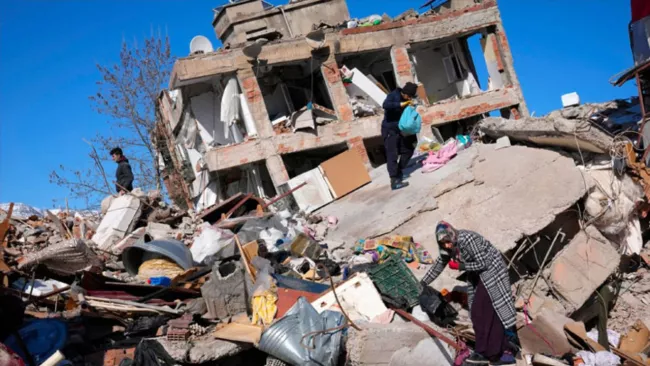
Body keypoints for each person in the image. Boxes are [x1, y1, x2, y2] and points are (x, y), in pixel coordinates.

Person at [421, 221, 517, 365]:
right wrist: (423, 282)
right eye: (443, 243)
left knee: (482, 311)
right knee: (484, 313)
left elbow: (484, 263)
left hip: (493, 272)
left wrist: (460, 266)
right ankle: (500, 351)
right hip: (479, 275)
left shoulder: (467, 239)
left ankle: (484, 352)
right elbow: (439, 265)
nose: (447, 245)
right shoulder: (448, 247)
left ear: (452, 235)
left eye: (447, 241)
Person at [382, 82, 418, 190]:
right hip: (389, 130)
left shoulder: (406, 99)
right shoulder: (393, 95)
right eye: (410, 96)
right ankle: (394, 181)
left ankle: (399, 172)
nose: (410, 98)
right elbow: (385, 105)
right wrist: (400, 104)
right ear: (406, 94)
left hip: (400, 129)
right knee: (392, 154)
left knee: (408, 149)